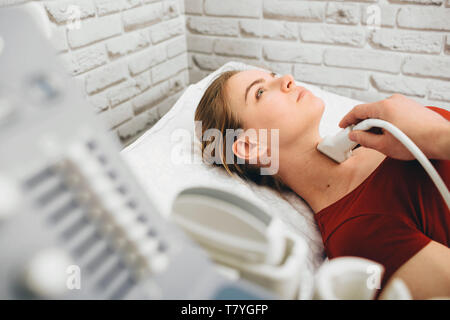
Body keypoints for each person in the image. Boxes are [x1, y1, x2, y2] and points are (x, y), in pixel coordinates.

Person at [194, 69, 450, 299]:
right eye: (260, 92)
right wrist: (437, 136)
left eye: (273, 75)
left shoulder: (385, 127)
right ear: (250, 146)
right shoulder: (359, 234)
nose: (286, 79)